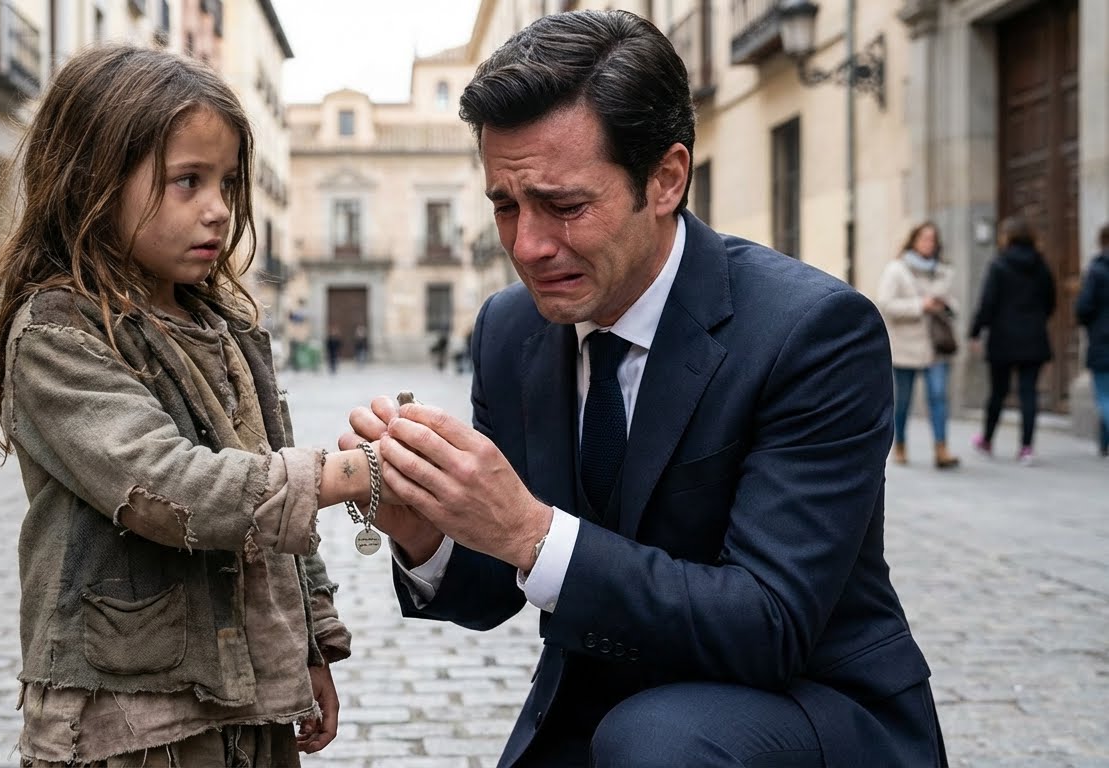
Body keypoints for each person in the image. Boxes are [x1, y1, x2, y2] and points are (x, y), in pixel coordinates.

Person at [345, 11, 944, 767]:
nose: (526, 245)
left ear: (664, 179)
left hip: (807, 706)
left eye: (564, 206)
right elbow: (496, 587)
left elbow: (769, 624)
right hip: (605, 716)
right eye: (505, 205)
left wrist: (528, 528)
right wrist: (426, 528)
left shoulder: (812, 331)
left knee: (654, 741)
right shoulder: (510, 328)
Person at [0, 44, 394, 766]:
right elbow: (165, 489)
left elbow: (273, 496)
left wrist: (315, 643)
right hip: (129, 717)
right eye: (186, 182)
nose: (218, 211)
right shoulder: (56, 332)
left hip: (249, 693)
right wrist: (350, 474)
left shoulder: (229, 328)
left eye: (227, 183)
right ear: (92, 181)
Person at [969, 215, 1056, 465]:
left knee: (998, 392)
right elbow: (1051, 300)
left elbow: (988, 303)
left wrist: (975, 332)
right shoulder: (1041, 265)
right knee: (1029, 393)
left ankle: (987, 439)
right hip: (1034, 337)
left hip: (1003, 338)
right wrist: (1037, 320)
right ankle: (1026, 447)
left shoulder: (999, 264)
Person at [877, 222, 961, 468]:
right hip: (906, 346)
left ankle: (941, 449)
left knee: (938, 396)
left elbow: (954, 303)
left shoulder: (943, 270)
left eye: (932, 239)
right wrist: (919, 306)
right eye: (924, 238)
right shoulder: (897, 269)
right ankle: (900, 445)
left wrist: (944, 305)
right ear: (913, 240)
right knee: (903, 400)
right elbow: (885, 304)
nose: (928, 243)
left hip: (935, 347)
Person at [1075, 223, 1109, 457]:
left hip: (1103, 340)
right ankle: (1104, 443)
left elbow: (1083, 308)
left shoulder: (1097, 271)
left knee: (1105, 395)